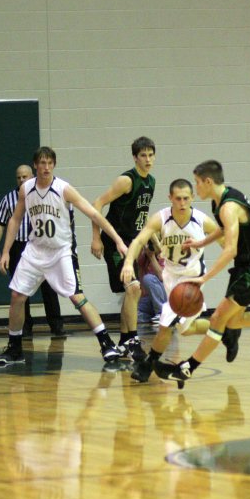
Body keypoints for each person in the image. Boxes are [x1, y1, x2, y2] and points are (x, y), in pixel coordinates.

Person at [156, 160, 250, 388]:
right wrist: (202, 241)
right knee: (232, 321)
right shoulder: (220, 202)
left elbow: (231, 249)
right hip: (246, 267)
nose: (196, 189)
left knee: (217, 319)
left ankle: (186, 369)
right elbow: (224, 228)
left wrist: (204, 278)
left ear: (208, 181)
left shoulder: (227, 206)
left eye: (197, 183)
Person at [0, 147, 127, 366]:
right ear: (35, 165)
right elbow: (15, 220)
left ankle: (106, 343)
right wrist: (6, 250)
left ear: (54, 165)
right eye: (42, 163)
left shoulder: (63, 189)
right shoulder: (26, 189)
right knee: (17, 296)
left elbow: (93, 213)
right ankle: (15, 349)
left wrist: (118, 240)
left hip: (61, 252)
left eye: (49, 163)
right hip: (35, 250)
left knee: (77, 297)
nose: (46, 167)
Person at [120, 178, 238, 383]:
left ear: (192, 198)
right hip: (170, 279)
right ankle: (224, 331)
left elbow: (226, 245)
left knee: (166, 323)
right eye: (178, 198)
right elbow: (139, 240)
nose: (182, 203)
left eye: (186, 198)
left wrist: (240, 264)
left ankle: (147, 366)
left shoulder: (202, 221)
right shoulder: (161, 218)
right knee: (185, 329)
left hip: (192, 281)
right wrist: (129, 262)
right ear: (170, 198)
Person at [90, 137, 156, 363]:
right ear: (135, 157)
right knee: (134, 288)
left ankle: (124, 342)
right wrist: (96, 237)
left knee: (132, 292)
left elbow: (142, 215)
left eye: (150, 155)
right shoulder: (127, 180)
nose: (148, 159)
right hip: (114, 241)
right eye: (143, 155)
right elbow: (97, 203)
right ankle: (132, 340)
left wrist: (151, 240)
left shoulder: (152, 182)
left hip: (132, 243)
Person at [0, 164, 65, 338]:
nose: (22, 180)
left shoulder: (43, 194)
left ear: (32, 176)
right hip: (19, 246)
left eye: (25, 176)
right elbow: (0, 223)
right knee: (21, 288)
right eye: (19, 177)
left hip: (42, 244)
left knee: (49, 286)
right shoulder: (9, 198)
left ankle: (56, 325)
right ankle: (25, 327)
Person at [135, 242, 165, 325]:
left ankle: (162, 313)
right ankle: (155, 316)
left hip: (165, 294)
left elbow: (162, 277)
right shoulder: (143, 255)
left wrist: (152, 257)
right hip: (150, 297)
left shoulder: (163, 252)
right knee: (135, 316)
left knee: (149, 278)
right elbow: (140, 271)